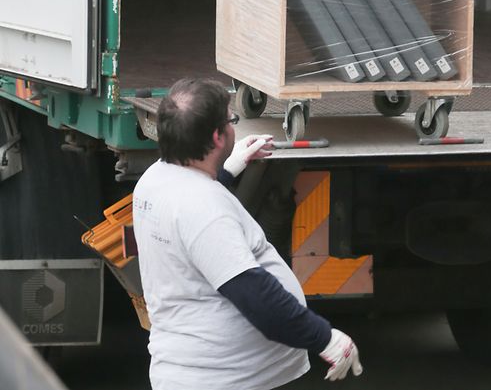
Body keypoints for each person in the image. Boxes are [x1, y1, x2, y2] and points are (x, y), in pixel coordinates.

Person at [132, 77, 362, 390]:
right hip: (225, 380)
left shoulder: (155, 179)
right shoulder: (202, 208)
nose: (232, 126)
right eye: (231, 120)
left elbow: (191, 221)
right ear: (217, 137)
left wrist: (229, 168)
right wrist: (325, 338)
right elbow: (256, 296)